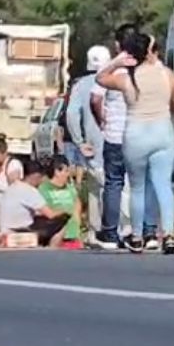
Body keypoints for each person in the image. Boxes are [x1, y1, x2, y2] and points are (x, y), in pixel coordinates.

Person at [95, 28, 174, 254]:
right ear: (151, 52)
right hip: (162, 133)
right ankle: (168, 234)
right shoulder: (166, 74)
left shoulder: (126, 78)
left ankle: (137, 236)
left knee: (137, 188)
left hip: (135, 135)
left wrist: (117, 61)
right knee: (163, 185)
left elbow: (100, 78)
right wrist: (164, 109)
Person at [66, 45, 111, 246]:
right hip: (116, 143)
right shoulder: (116, 80)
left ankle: (94, 231)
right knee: (112, 186)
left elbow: (71, 114)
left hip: (92, 146)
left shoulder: (81, 85)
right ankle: (113, 230)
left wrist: (79, 141)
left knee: (94, 188)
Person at [90, 41, 129, 250]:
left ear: (117, 45)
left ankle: (111, 233)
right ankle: (141, 232)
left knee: (113, 184)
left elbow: (95, 98)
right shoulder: (147, 70)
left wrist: (101, 121)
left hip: (114, 135)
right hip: (140, 135)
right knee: (140, 185)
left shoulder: (113, 70)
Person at [0, 158, 70, 247]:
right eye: (41, 177)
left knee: (41, 221)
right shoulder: (29, 190)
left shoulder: (11, 188)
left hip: (5, 229)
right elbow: (50, 214)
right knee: (61, 223)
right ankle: (52, 250)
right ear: (36, 176)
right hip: (18, 232)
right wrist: (65, 211)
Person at [39, 155, 82, 247]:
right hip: (55, 238)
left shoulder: (70, 188)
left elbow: (77, 207)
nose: (68, 174)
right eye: (65, 171)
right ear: (56, 171)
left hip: (72, 236)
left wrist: (78, 233)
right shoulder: (43, 189)